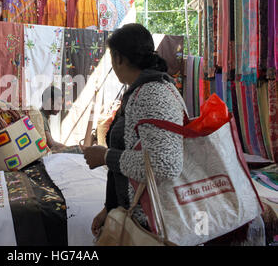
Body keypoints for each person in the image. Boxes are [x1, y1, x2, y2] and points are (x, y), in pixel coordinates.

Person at [81, 23, 185, 238]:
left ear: (118, 58)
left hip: (150, 220)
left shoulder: (153, 93)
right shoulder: (143, 90)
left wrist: (105, 156)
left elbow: (164, 165)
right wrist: (109, 208)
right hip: (136, 211)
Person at [40, 86, 67, 150]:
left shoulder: (44, 117)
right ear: (50, 102)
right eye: (58, 104)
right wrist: (74, 148)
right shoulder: (41, 118)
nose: (60, 108)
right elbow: (52, 144)